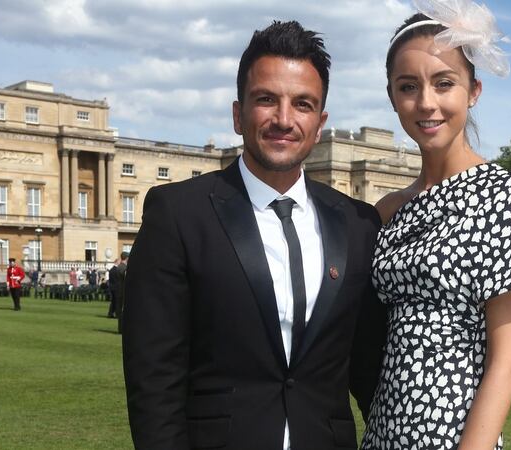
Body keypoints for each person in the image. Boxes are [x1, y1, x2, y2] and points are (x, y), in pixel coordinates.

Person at [122, 20, 386, 449]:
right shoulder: (178, 213)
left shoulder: (357, 223)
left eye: (302, 104)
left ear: (319, 124)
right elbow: (154, 379)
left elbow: (369, 369)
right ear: (238, 113)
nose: (284, 119)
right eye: (267, 99)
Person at [362, 5, 511, 449]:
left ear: (473, 90)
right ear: (392, 97)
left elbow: (508, 362)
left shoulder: (502, 196)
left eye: (444, 83)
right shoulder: (386, 210)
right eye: (408, 87)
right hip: (382, 433)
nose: (426, 102)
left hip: (457, 438)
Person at [114, 252, 128, 334]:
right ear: (126, 258)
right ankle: (122, 329)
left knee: (120, 311)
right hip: (123, 291)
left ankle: (121, 329)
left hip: (119, 290)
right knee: (123, 311)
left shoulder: (119, 266)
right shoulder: (124, 267)